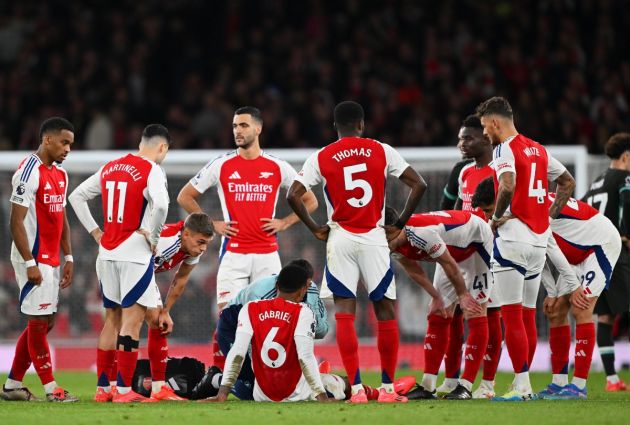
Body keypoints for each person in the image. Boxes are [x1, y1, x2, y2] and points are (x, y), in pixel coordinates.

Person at [287, 100, 426, 403]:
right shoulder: (381, 149)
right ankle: (388, 389)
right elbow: (419, 184)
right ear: (361, 125)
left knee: (345, 314)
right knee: (385, 310)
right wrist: (400, 222)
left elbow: (293, 195)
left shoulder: (321, 157)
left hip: (341, 239)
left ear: (335, 127)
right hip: (375, 237)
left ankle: (359, 390)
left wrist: (314, 227)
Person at [177, 106, 317, 369]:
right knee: (227, 319)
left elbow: (310, 200)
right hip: (234, 254)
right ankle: (220, 375)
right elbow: (185, 196)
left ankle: (270, 373)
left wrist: (285, 222)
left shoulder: (278, 166)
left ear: (258, 128)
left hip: (267, 256)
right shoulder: (221, 164)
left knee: (275, 318)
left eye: (243, 125)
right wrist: (212, 223)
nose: (237, 131)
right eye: (234, 126)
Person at [476, 97, 575, 401]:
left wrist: (494, 220)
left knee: (511, 315)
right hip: (538, 240)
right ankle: (524, 383)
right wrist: (547, 216)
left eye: (484, 127)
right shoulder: (539, 150)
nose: (484, 134)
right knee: (528, 315)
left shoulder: (504, 149)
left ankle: (522, 386)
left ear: (495, 123)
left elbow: (506, 184)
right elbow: (567, 182)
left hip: (514, 239)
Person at [69, 124, 171, 403]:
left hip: (107, 252)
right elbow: (161, 205)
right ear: (162, 147)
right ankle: (125, 391)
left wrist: (95, 232)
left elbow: (75, 196)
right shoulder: (152, 169)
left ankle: (104, 389)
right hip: (134, 253)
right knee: (133, 321)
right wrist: (154, 236)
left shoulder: (111, 166)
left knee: (111, 321)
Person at [90, 213, 214, 402]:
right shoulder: (166, 241)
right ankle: (130, 390)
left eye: (206, 243)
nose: (203, 248)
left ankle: (105, 389)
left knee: (142, 320)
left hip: (117, 260)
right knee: (127, 321)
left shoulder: (190, 248)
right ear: (186, 234)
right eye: (200, 242)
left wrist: (166, 311)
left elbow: (180, 279)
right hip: (126, 263)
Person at [0, 117, 78, 403]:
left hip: (51, 256)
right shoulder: (28, 172)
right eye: (64, 142)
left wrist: (68, 255)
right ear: (47, 140)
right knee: (38, 319)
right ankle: (51, 389)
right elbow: (15, 222)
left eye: (71, 143)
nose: (68, 148)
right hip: (31, 256)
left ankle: (12, 386)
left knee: (47, 321)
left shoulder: (60, 173)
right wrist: (30, 262)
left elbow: (62, 217)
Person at [385, 208, 491, 400]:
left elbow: (449, 264)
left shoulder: (421, 233)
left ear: (397, 227)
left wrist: (463, 294)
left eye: (387, 235)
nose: (386, 241)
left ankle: (465, 386)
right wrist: (436, 296)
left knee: (474, 310)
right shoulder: (391, 242)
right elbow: (413, 269)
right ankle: (428, 386)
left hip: (476, 244)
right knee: (437, 313)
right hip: (449, 256)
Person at [203, 264, 330, 402]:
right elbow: (305, 355)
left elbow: (320, 331)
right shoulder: (259, 298)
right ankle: (216, 379)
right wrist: (322, 397)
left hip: (263, 388)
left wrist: (222, 395)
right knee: (249, 383)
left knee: (265, 380)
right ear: (302, 290)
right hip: (230, 327)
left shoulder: (252, 308)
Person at [440, 114, 495, 395]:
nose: (461, 143)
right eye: (460, 137)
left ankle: (486, 383)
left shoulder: (503, 170)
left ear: (486, 137)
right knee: (452, 312)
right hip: (462, 251)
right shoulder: (464, 172)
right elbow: (457, 210)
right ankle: (451, 379)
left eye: (467, 138)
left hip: (490, 252)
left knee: (489, 314)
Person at [581, 132, 630, 391]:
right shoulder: (625, 177)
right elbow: (628, 203)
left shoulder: (596, 181)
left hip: (594, 255)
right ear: (626, 156)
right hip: (617, 251)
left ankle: (612, 379)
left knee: (605, 316)